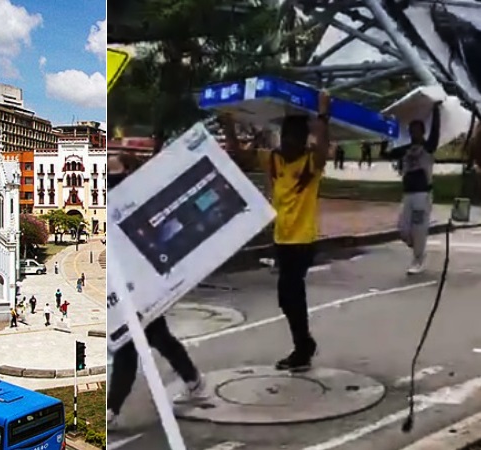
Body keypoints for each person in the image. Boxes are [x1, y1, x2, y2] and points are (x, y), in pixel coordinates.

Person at [221, 91, 330, 373]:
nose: (286, 141)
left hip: (303, 240)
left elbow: (322, 147)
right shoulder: (274, 160)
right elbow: (240, 157)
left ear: (302, 139)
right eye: (284, 135)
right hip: (282, 238)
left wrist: (322, 114)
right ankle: (304, 344)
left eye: (293, 136)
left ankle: (303, 349)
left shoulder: (310, 164)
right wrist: (228, 124)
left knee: (291, 293)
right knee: (288, 297)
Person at [106, 153, 209, 430]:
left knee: (136, 345)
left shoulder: (131, 198)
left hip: (142, 282)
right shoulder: (122, 197)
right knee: (151, 339)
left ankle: (112, 409)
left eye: (115, 173)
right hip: (126, 285)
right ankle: (192, 379)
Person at [380, 103, 441, 274]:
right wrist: (385, 133)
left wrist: (436, 110)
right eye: (411, 130)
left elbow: (435, 131)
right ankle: (417, 247)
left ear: (422, 131)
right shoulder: (405, 150)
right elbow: (385, 154)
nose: (414, 133)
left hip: (423, 194)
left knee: (419, 228)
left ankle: (418, 260)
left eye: (417, 130)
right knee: (403, 229)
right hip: (407, 194)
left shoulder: (428, 147)